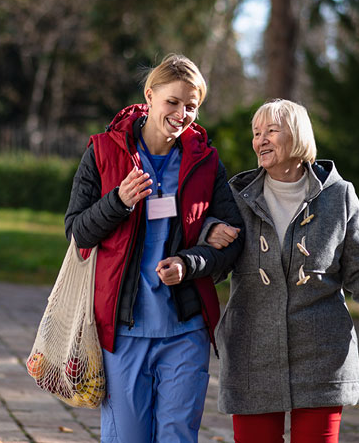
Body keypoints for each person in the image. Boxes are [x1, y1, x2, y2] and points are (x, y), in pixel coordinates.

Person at [204, 99, 359, 443]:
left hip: (323, 356)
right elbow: (211, 266)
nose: (261, 140)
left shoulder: (340, 196)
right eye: (256, 133)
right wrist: (208, 233)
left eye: (271, 131)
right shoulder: (236, 197)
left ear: (298, 136)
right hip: (251, 354)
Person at [64, 54, 244, 442]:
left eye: (191, 106)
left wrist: (190, 262)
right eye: (173, 102)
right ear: (150, 96)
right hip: (123, 330)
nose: (182, 114)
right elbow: (77, 233)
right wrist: (118, 201)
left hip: (186, 330)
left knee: (177, 436)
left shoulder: (206, 162)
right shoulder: (102, 152)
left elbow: (231, 242)